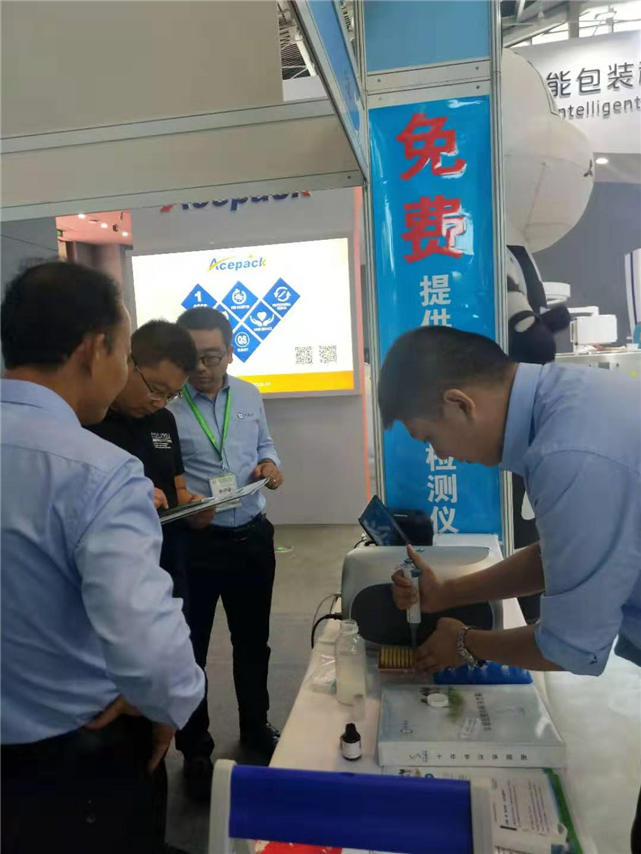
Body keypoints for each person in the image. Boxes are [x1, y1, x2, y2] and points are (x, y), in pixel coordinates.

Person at [379, 325, 640, 852]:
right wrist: (445, 595)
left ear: (459, 404)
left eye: (430, 438)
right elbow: (558, 555)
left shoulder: (567, 453)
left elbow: (571, 646)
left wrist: (465, 643)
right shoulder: (567, 401)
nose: (442, 456)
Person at [0, 262, 205, 854]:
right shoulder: (100, 472)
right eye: (125, 353)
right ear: (94, 349)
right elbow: (150, 650)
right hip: (72, 765)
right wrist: (165, 704)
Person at [169, 306, 283, 801]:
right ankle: (195, 747)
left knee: (253, 642)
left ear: (231, 352)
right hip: (197, 545)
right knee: (191, 648)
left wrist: (269, 464)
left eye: (212, 356)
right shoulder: (167, 409)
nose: (201, 367)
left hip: (252, 538)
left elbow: (266, 444)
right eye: (192, 357)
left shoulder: (250, 395)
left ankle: (256, 726)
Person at [88, 319, 216, 609]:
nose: (159, 402)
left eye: (171, 395)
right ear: (127, 362)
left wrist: (194, 509)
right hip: (115, 570)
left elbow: (177, 488)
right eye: (156, 389)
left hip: (168, 562)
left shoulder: (164, 420)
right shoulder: (89, 420)